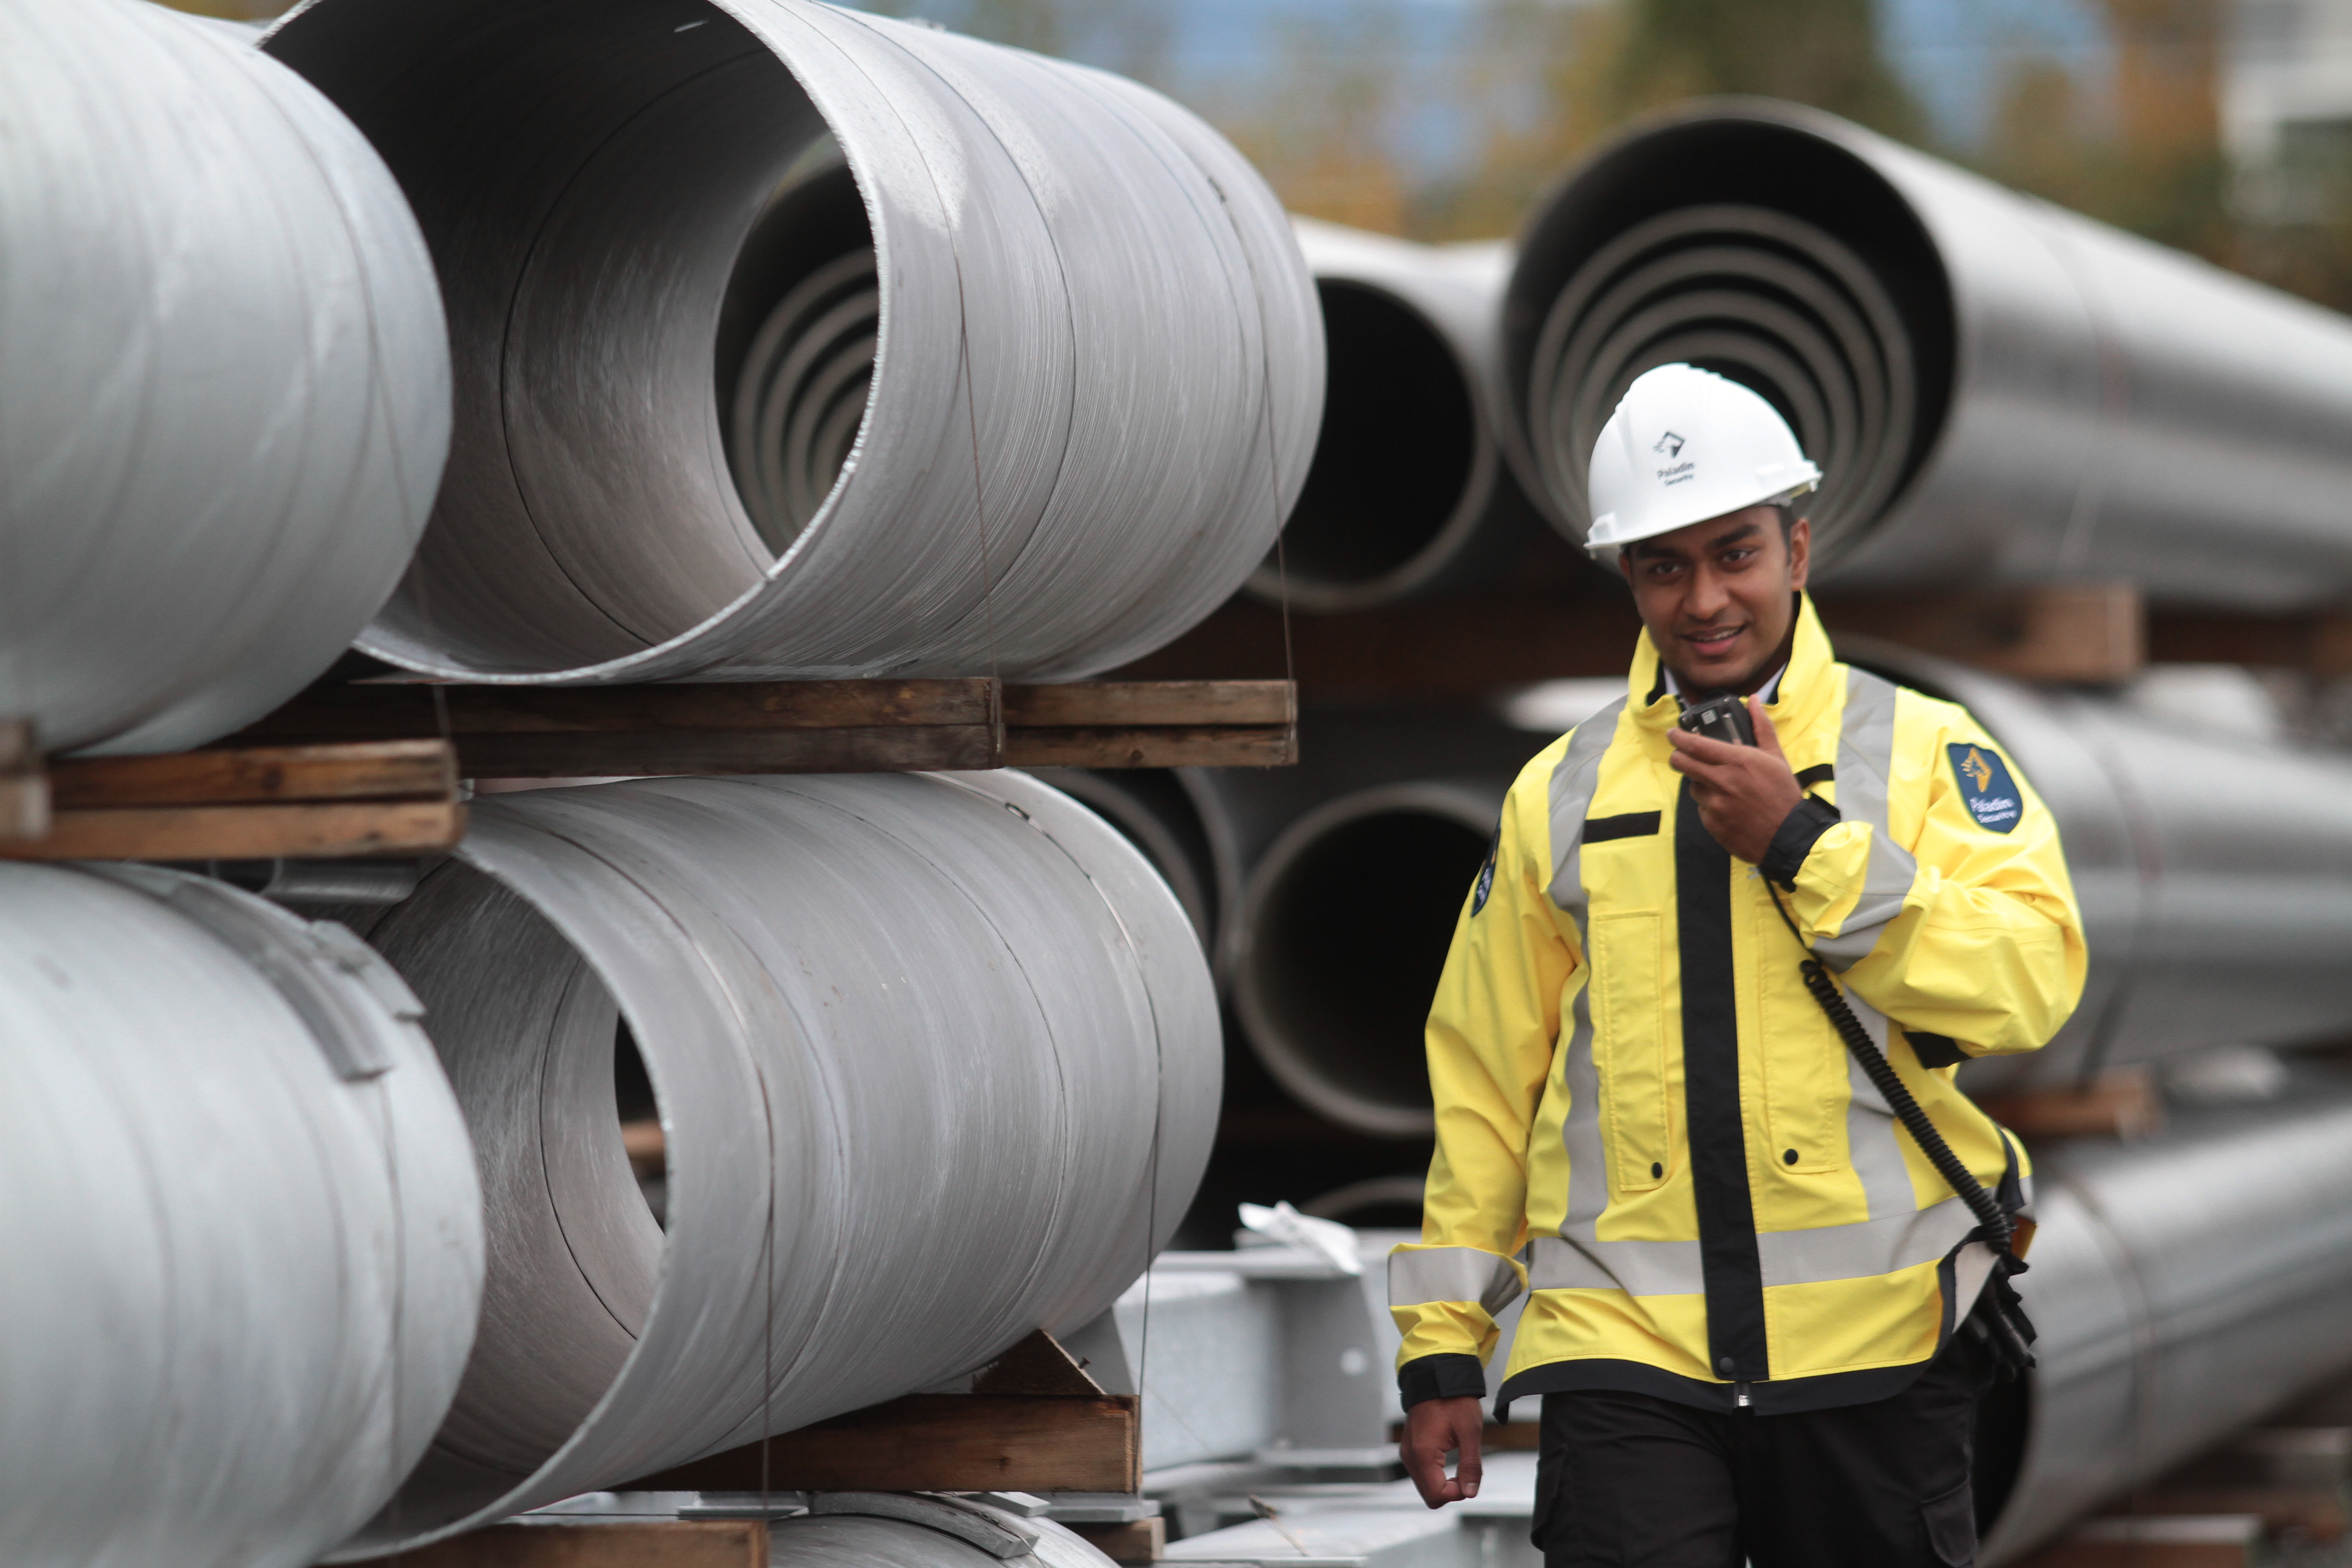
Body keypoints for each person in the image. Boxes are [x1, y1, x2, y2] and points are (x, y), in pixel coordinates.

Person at [1390, 364, 2087, 1567]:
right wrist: (1444, 1342)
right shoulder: (1559, 792)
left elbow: (2030, 980)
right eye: (1665, 565)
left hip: (1877, 1348)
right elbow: (1486, 1078)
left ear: (1797, 550)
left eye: (1736, 553)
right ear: (1628, 577)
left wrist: (1808, 848)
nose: (1707, 598)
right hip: (1630, 1361)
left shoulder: (1923, 753)